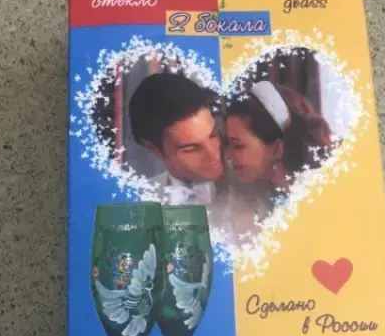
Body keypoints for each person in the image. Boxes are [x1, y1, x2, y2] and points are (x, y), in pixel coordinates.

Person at [223, 80, 334, 234]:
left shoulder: (316, 196)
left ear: (276, 149)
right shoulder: (269, 193)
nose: (228, 155)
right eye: (228, 144)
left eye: (238, 146)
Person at [129, 72, 224, 205]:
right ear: (154, 149)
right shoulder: (139, 199)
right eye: (191, 148)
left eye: (213, 135)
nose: (213, 154)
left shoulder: (251, 183)